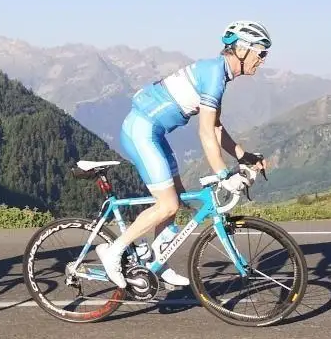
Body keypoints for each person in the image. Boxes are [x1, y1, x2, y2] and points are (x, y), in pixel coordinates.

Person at [96, 20, 272, 289]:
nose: (262, 60)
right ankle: (114, 252)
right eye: (261, 53)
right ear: (243, 49)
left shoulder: (217, 72)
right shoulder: (214, 75)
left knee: (176, 198)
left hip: (153, 134)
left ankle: (156, 259)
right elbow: (205, 133)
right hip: (141, 131)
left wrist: (242, 155)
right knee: (168, 204)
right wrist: (223, 175)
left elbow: (215, 126)